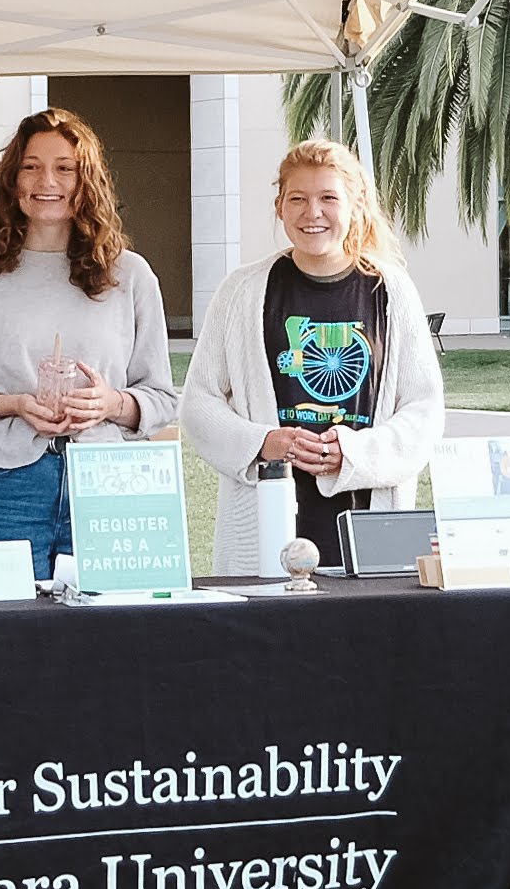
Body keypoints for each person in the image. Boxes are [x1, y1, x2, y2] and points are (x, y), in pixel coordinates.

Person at [0, 108, 176, 577]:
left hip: (108, 485)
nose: (47, 180)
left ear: (87, 182)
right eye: (31, 166)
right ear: (12, 179)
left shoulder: (131, 276)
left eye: (65, 168)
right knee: (8, 637)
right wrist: (10, 404)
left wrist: (110, 404)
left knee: (107, 637)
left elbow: (161, 398)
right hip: (4, 485)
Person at [179, 139, 445, 571]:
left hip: (370, 526)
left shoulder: (391, 292)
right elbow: (198, 404)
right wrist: (263, 443)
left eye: (328, 198)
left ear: (354, 205)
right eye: (298, 199)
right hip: (264, 526)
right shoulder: (242, 292)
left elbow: (424, 413)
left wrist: (354, 453)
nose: (312, 213)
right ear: (280, 206)